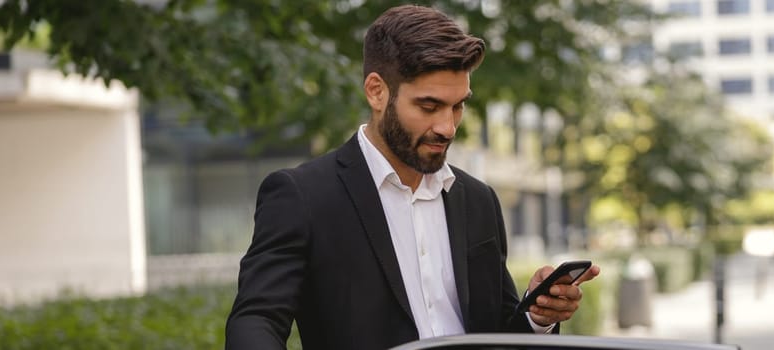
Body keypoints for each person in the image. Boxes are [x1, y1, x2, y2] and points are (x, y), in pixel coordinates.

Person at [225, 5, 599, 349]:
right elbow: (255, 321)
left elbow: (497, 334)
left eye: (458, 106)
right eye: (429, 106)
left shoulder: (479, 200)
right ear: (377, 92)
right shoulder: (302, 196)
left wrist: (536, 316)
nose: (448, 127)